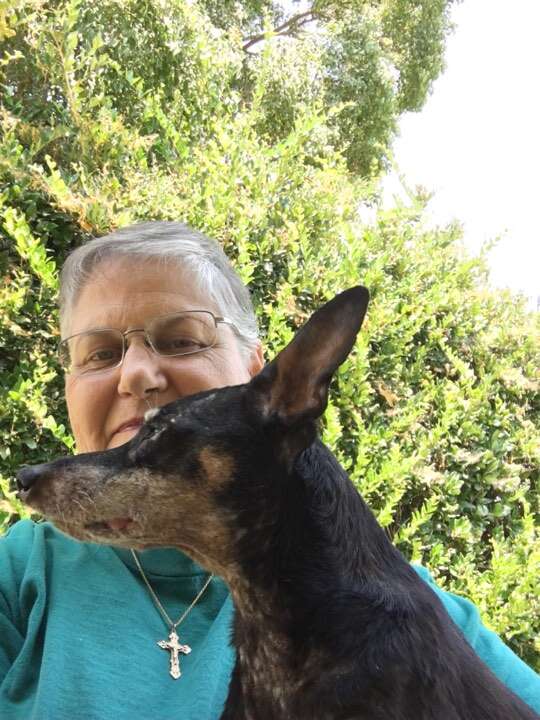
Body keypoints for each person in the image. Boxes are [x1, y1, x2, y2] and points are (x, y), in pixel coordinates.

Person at [0, 221, 538, 720]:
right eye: (97, 354)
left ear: (260, 373)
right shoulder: (18, 575)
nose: (137, 375)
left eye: (181, 340)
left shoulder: (417, 618)